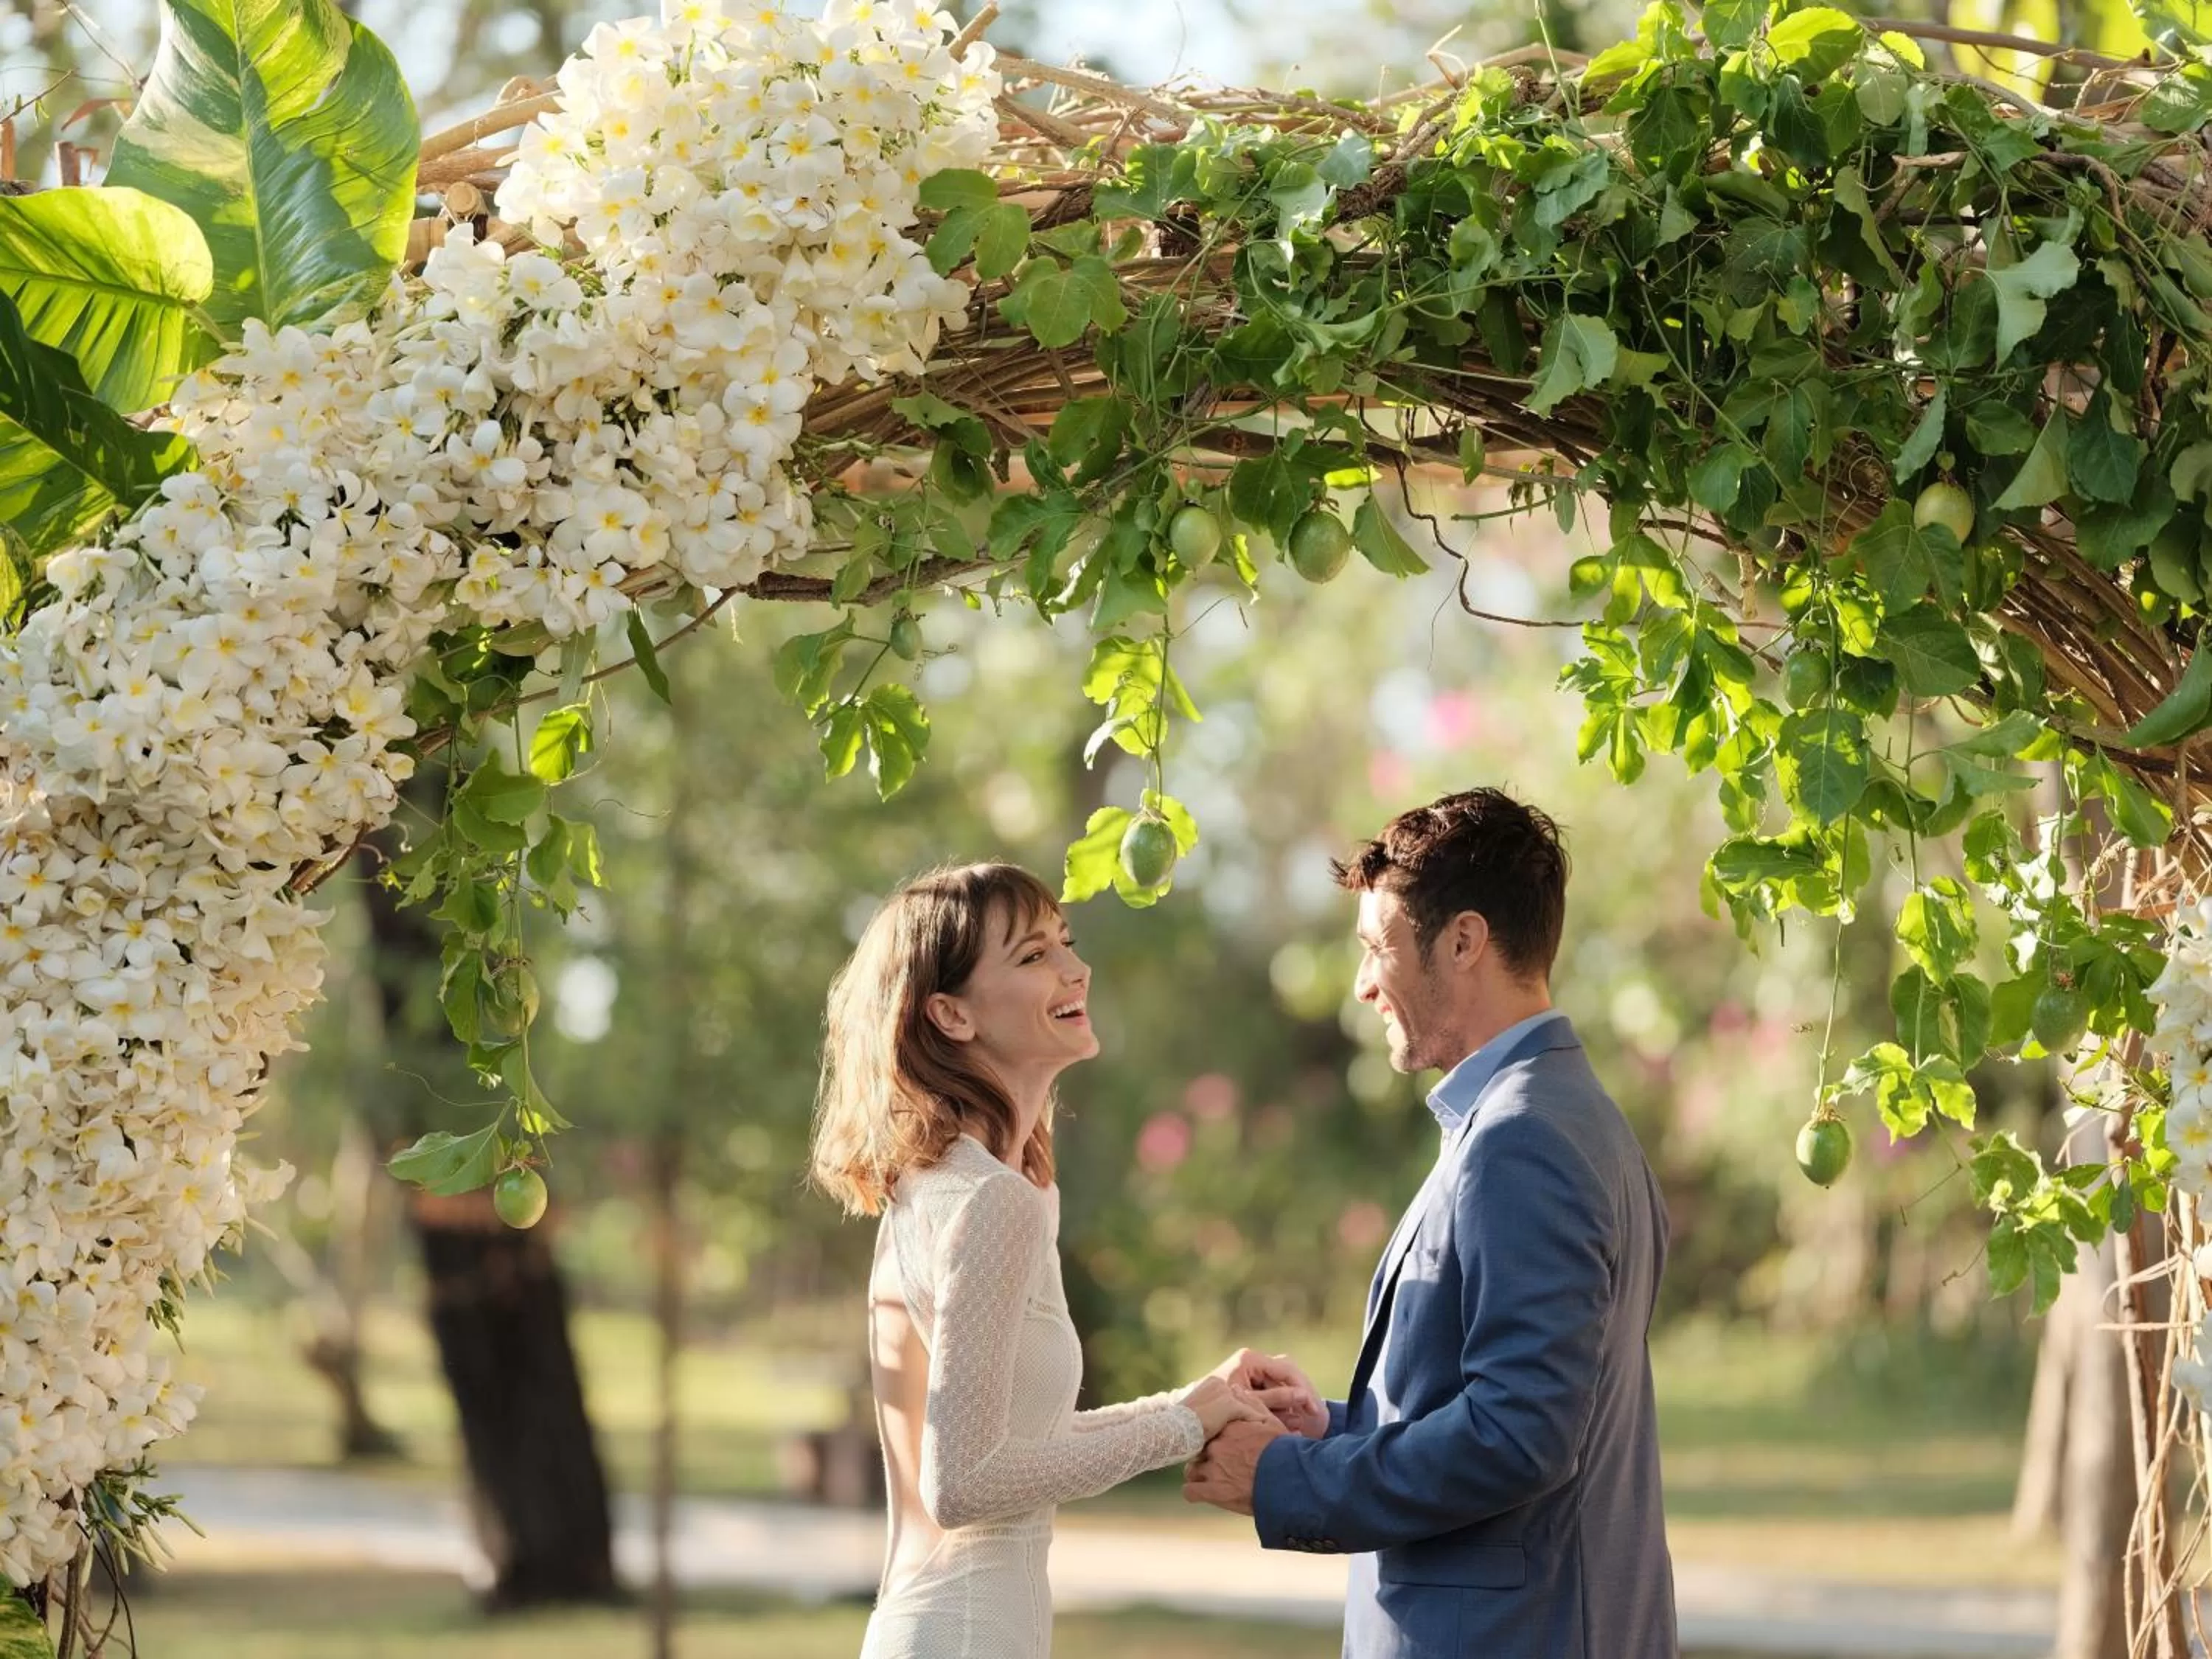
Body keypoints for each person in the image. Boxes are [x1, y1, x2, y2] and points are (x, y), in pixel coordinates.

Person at [1186, 790, 1680, 1658]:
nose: (1364, 984)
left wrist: (1287, 1477)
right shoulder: (1560, 1116)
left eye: (1377, 949)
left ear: (1463, 941)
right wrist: (1336, 1429)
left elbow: (1520, 1436)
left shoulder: (1523, 1136)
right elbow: (1512, 1405)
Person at [810, 861, 1276, 1659]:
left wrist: (1197, 1399)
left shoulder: (960, 1186)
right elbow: (964, 1486)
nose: (1075, 968)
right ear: (951, 1014)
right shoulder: (992, 1202)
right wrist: (1179, 1427)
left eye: (1066, 942)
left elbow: (1013, 1439)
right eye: (1033, 956)